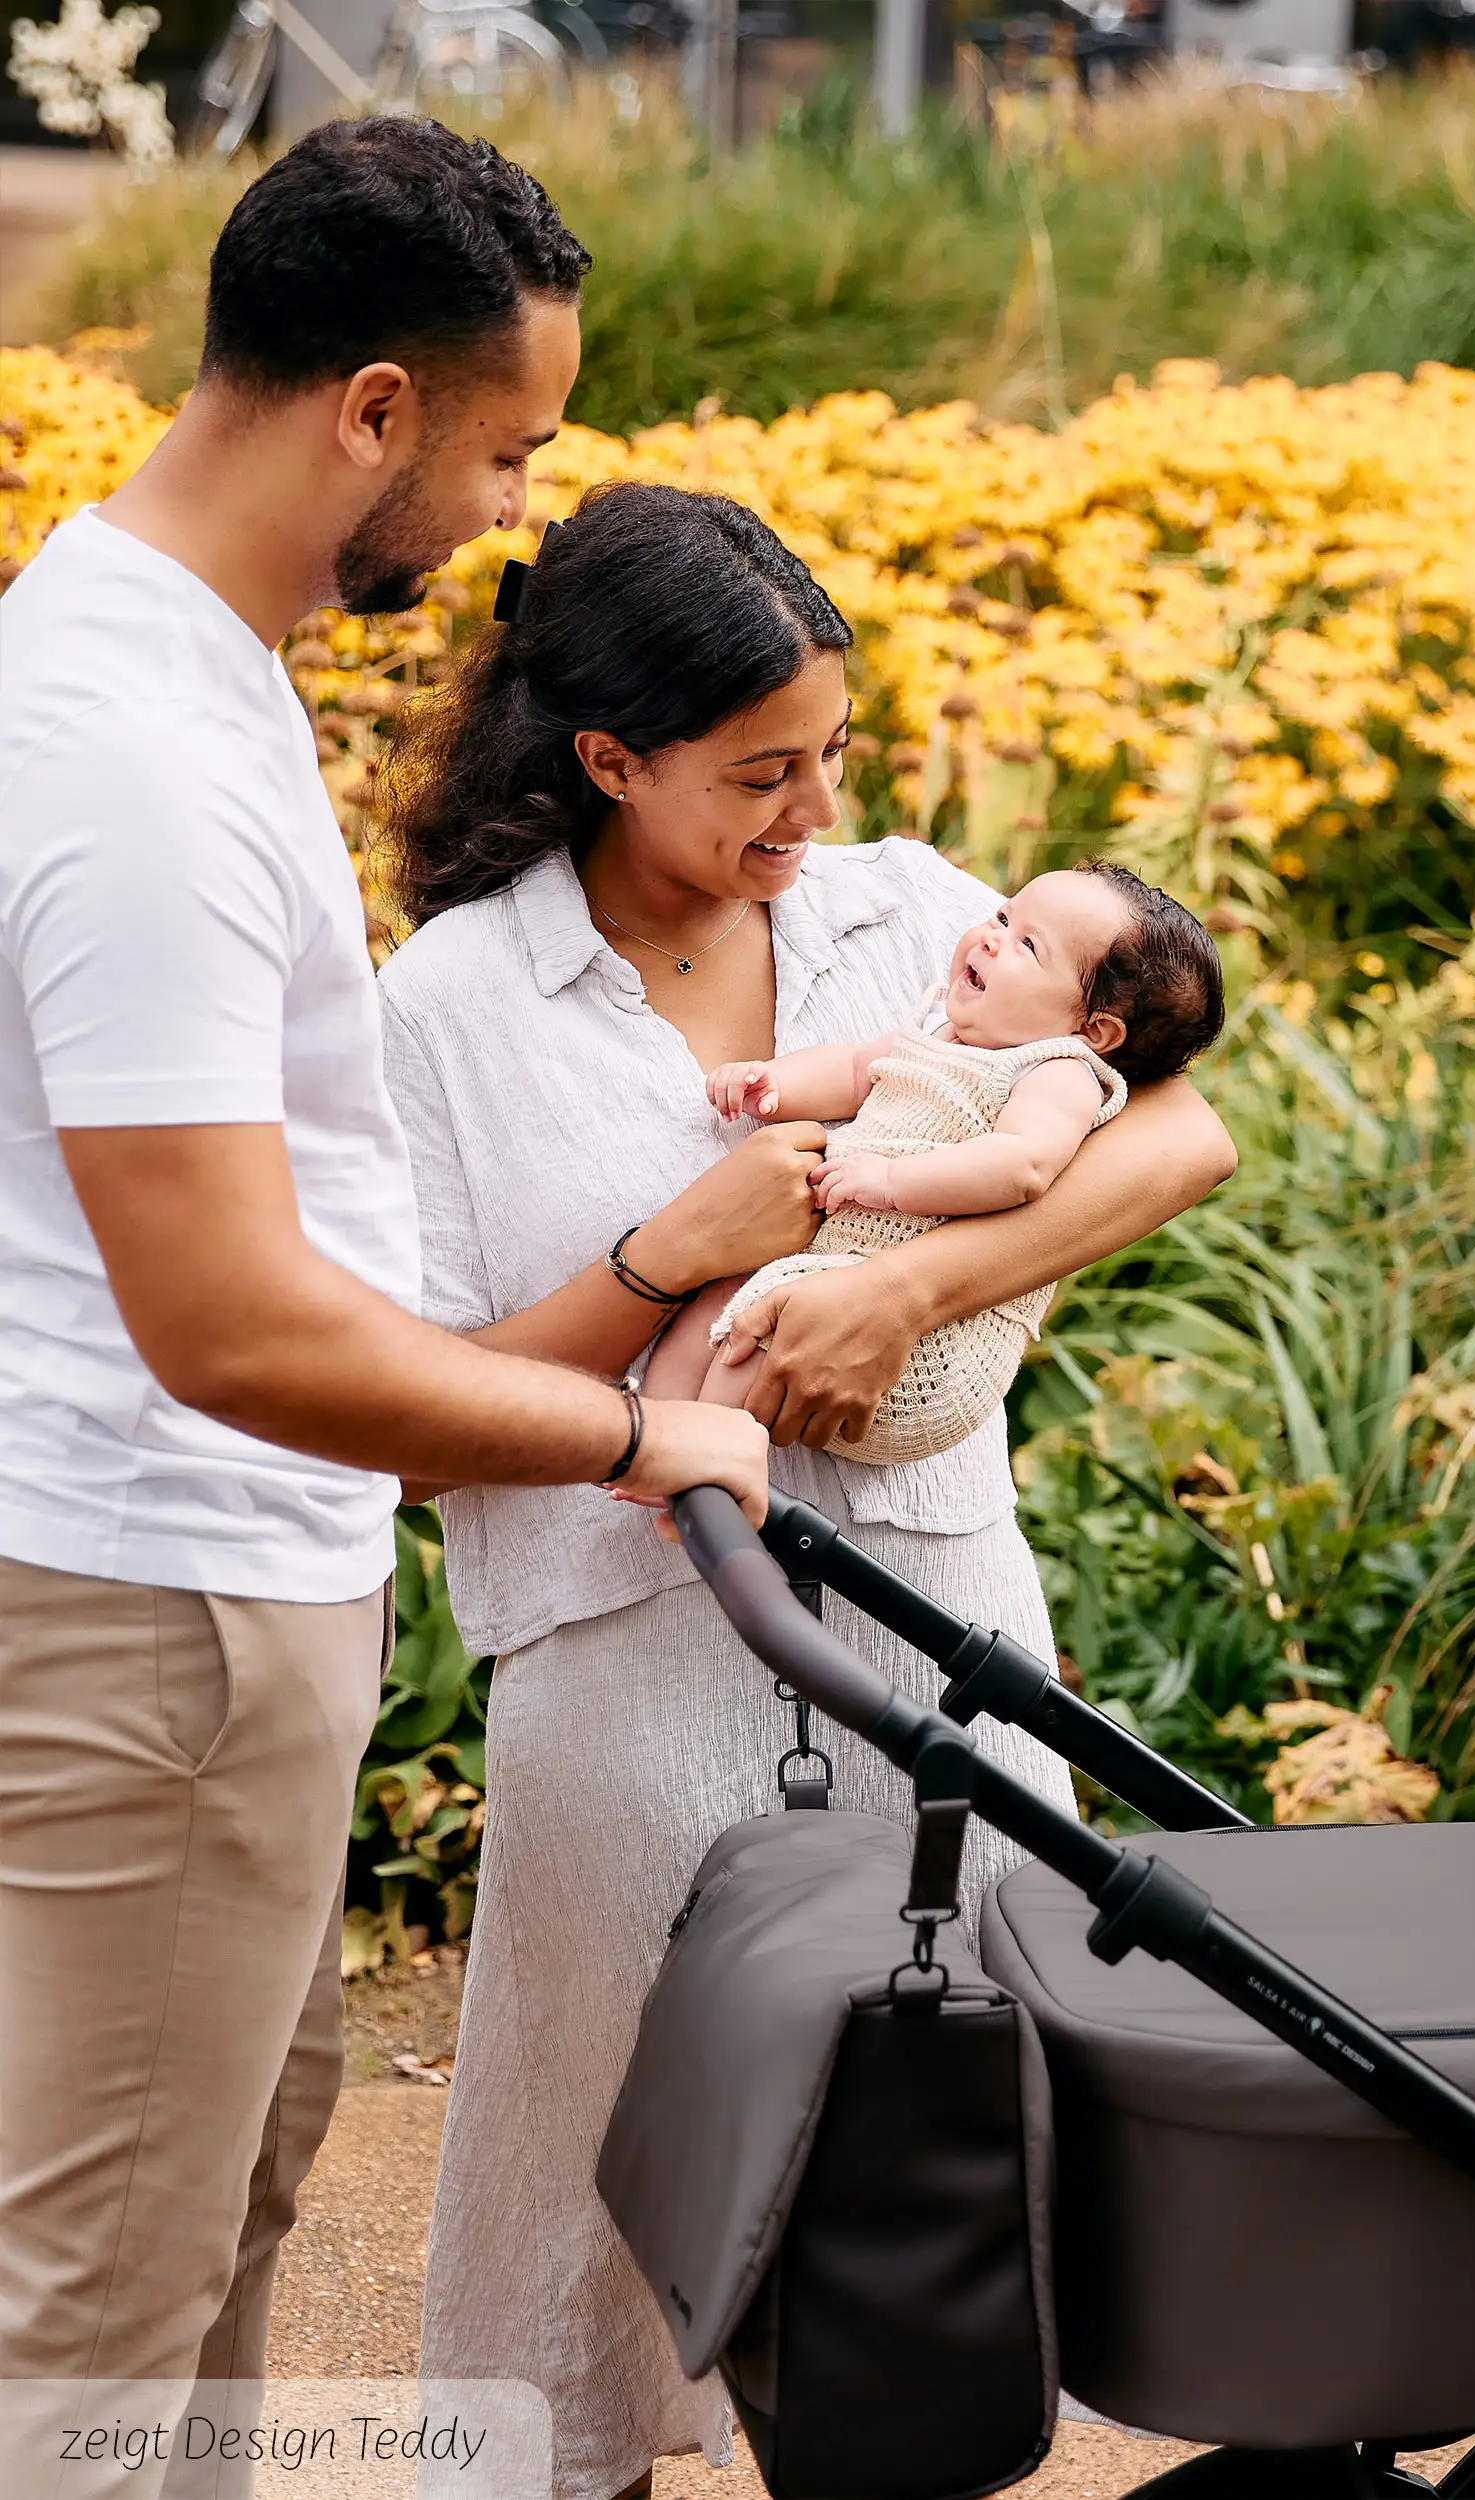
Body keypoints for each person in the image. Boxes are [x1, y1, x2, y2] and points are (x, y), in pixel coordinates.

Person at [0, 119, 771, 2451]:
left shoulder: (174, 655)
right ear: (369, 410)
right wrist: (644, 1428)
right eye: (513, 448)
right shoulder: (130, 747)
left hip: (206, 1601)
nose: (523, 507)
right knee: (93, 2331)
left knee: (206, 2227)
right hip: (160, 1609)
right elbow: (223, 1319)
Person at [369, 479, 1235, 2500]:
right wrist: (670, 1254)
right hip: (629, 1650)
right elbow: (422, 1412)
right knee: (588, 2188)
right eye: (761, 773)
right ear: (607, 757)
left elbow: (1164, 1133)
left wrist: (915, 1283)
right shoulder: (450, 1009)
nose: (813, 811)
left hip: (940, 1631)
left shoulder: (896, 911)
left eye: (830, 752)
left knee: (939, 2169)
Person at [656, 860, 1225, 1460]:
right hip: (836, 1273)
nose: (990, 935)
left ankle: (701, 1468)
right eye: (1004, 915)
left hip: (929, 1352)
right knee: (713, 1310)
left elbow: (1021, 1167)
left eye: (1028, 945)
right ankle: (651, 1434)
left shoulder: (1059, 1073)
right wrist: (771, 1082)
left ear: (1094, 1030)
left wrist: (892, 1180)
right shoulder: (942, 1033)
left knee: (756, 1336)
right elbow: (854, 1070)